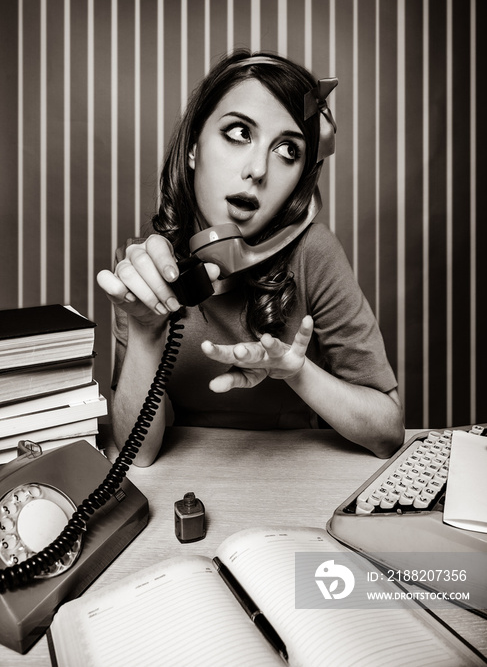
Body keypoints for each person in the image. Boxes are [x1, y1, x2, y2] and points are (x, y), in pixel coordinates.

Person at [97, 50, 404, 467]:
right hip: (189, 478)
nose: (258, 169)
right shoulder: (144, 268)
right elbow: (140, 455)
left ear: (300, 182)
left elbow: (388, 432)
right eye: (239, 132)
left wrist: (296, 372)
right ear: (192, 148)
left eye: (287, 151)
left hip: (294, 476)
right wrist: (146, 330)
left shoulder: (314, 252)